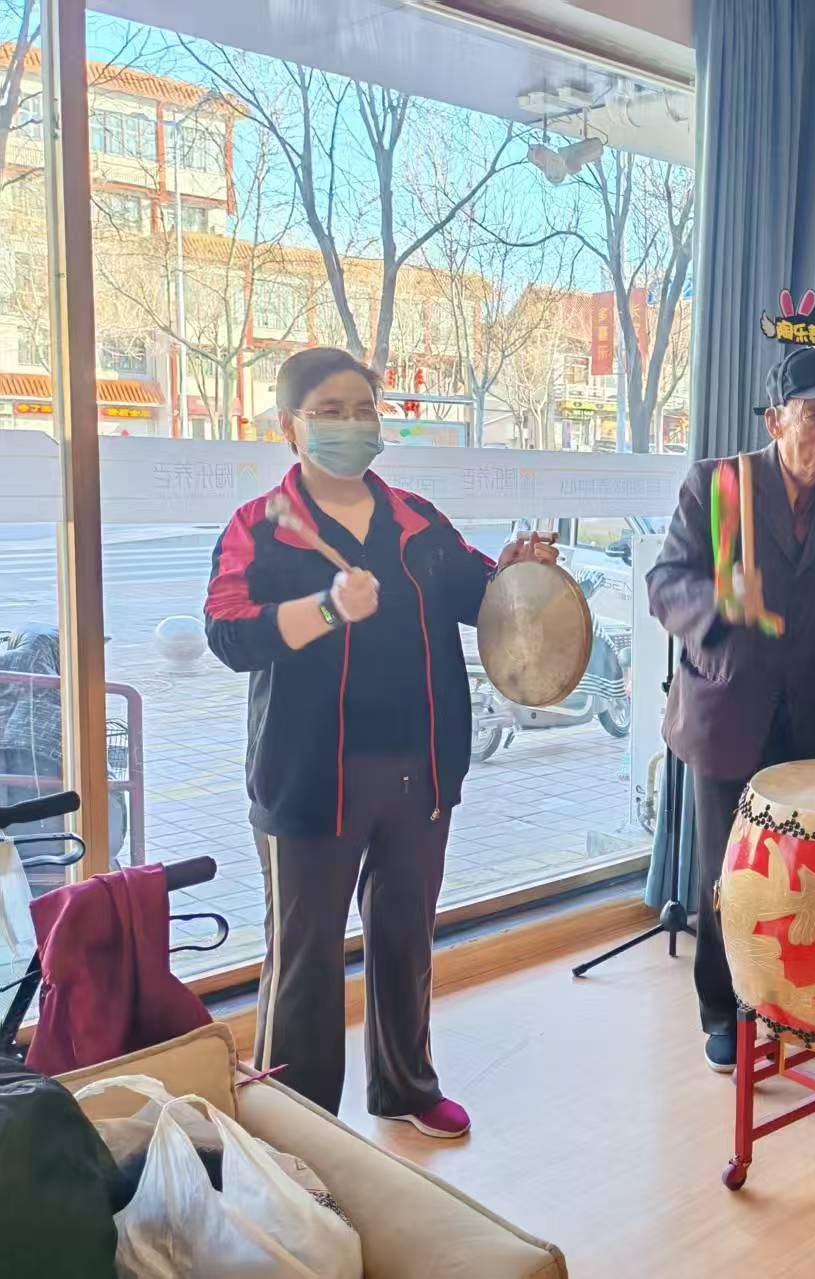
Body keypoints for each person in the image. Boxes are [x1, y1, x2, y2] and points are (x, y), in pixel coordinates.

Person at [203, 346, 555, 1132]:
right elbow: (228, 633)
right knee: (304, 959)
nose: (351, 424)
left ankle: (406, 1086)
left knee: (405, 935)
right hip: (308, 777)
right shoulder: (260, 527)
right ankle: (297, 1128)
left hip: (419, 769)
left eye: (363, 409)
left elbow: (480, 596)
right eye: (329, 411)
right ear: (290, 427)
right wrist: (326, 609)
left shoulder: (417, 520)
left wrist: (516, 572)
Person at [648, 346, 815, 1073]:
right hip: (726, 710)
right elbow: (666, 582)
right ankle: (725, 1013)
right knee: (727, 875)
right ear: (775, 420)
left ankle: (812, 1009)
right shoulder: (719, 488)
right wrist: (719, 606)